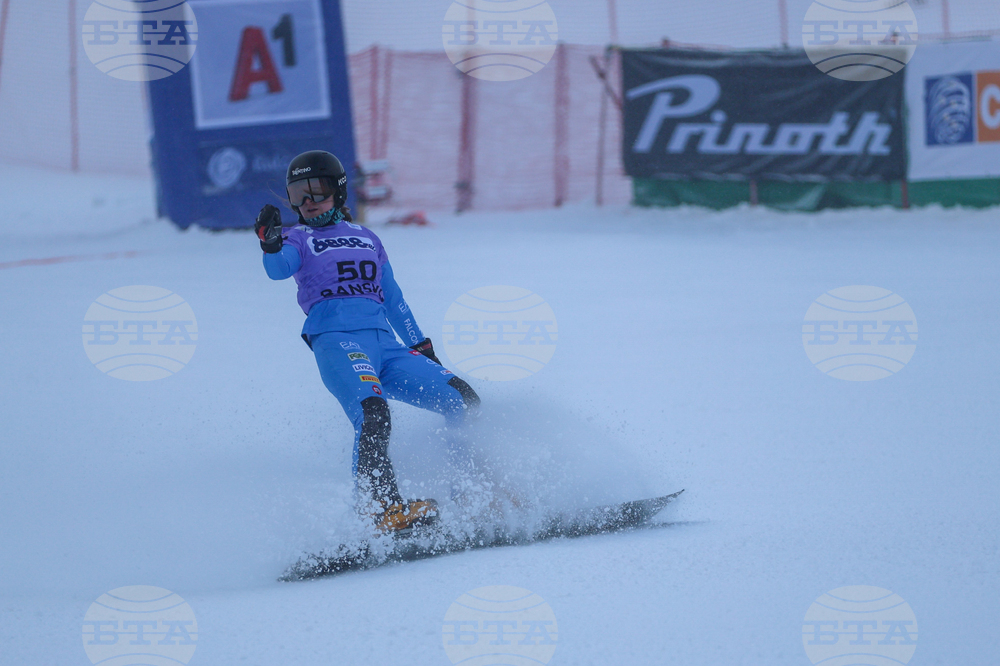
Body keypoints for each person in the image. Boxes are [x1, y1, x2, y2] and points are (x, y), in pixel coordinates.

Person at [255, 150, 480, 534]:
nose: (308, 202)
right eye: (298, 194)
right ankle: (381, 511)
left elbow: (393, 299)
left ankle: (474, 493)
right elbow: (278, 270)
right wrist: (271, 244)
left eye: (317, 190)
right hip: (338, 342)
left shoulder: (366, 237)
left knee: (463, 400)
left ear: (338, 191)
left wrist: (420, 347)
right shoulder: (298, 238)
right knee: (374, 415)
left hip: (387, 346)